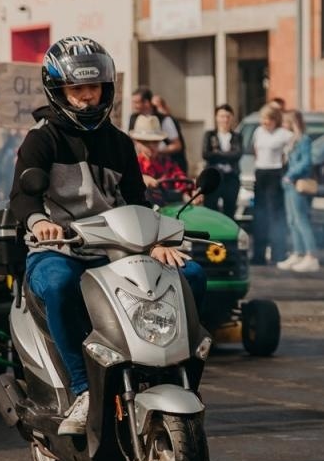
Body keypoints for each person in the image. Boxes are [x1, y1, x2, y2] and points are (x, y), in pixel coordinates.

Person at [12, 37, 205, 436]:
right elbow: (21, 199)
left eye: (93, 87)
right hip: (60, 249)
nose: (86, 97)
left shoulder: (119, 143)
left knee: (192, 276)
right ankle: (82, 390)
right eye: (77, 89)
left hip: (116, 250)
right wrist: (38, 223)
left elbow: (136, 200)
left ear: (107, 89)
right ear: (59, 90)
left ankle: (172, 373)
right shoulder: (41, 140)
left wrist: (156, 242)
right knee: (60, 284)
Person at [250, 104, 292, 265]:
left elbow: (291, 151)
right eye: (263, 119)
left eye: (268, 119)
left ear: (275, 120)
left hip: (275, 173)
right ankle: (258, 254)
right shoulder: (258, 132)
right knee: (260, 215)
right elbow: (256, 151)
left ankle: (278, 253)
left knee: (276, 215)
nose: (265, 122)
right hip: (261, 173)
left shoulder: (284, 134)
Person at [279, 110, 320, 273]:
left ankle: (311, 256)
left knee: (301, 219)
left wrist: (290, 175)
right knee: (292, 220)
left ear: (293, 122)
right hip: (289, 184)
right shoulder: (292, 140)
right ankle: (298, 252)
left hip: (297, 183)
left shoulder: (304, 140)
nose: (283, 124)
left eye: (285, 121)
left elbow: (307, 162)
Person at [129, 114, 190, 203]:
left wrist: (191, 192)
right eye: (145, 142)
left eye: (155, 142)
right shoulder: (131, 165)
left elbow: (181, 181)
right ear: (136, 143)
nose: (151, 146)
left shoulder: (167, 163)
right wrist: (141, 179)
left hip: (169, 212)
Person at [128, 88, 184, 171]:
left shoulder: (165, 120)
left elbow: (177, 145)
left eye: (136, 102)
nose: (133, 105)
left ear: (146, 102)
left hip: (164, 166)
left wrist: (157, 151)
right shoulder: (133, 118)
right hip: (141, 165)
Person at [201, 104, 242, 216]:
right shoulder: (210, 135)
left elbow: (237, 154)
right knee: (210, 211)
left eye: (227, 116)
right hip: (214, 177)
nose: (225, 119)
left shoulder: (236, 136)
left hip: (231, 177)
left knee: (230, 211)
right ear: (216, 117)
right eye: (222, 116)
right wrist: (227, 154)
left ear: (232, 118)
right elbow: (206, 154)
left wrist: (217, 153)